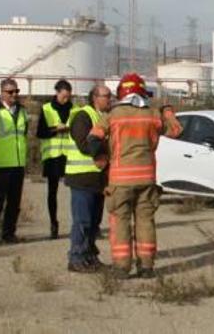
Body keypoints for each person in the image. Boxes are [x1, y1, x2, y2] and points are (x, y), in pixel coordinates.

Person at [87, 73, 182, 278]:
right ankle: (146, 267)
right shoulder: (153, 114)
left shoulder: (112, 115)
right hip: (147, 178)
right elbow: (176, 130)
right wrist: (168, 112)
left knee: (120, 222)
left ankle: (122, 268)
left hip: (120, 180)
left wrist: (102, 160)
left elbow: (93, 140)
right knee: (145, 221)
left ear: (122, 93)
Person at [65, 85, 112, 272]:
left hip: (98, 179)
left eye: (110, 96)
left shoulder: (104, 117)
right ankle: (76, 258)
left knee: (94, 223)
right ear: (94, 97)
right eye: (106, 96)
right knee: (82, 221)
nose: (109, 99)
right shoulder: (82, 116)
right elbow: (84, 144)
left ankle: (90, 256)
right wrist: (103, 152)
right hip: (81, 178)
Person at [0, 78, 28, 245]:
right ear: (2, 93)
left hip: (18, 164)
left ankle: (9, 234)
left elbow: (23, 135)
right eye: (10, 92)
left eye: (16, 91)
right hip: (1, 164)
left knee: (14, 202)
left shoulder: (22, 111)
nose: (14, 95)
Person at [37, 79, 75, 239]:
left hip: (69, 155)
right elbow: (40, 132)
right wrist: (55, 130)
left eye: (68, 97)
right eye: (63, 96)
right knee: (52, 192)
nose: (66, 100)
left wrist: (68, 128)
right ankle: (54, 223)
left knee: (76, 190)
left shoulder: (74, 109)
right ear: (57, 93)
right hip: (52, 156)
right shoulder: (46, 109)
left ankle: (78, 223)